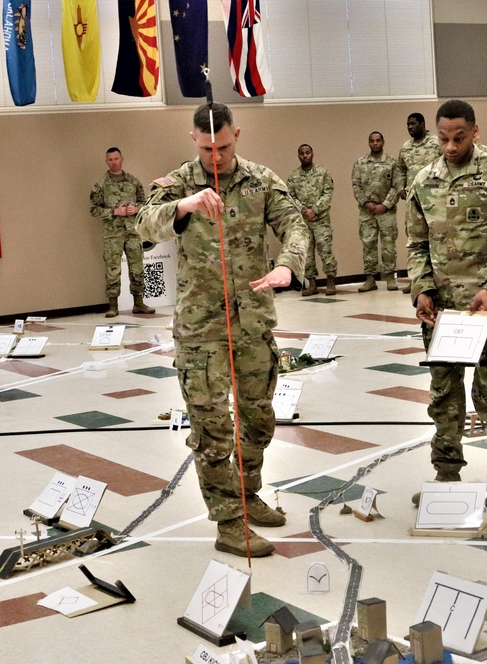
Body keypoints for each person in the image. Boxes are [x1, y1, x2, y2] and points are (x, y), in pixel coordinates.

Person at [137, 102, 309, 557]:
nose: (217, 156)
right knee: (211, 432)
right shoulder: (177, 184)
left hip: (252, 322)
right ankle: (230, 522)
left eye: (225, 146)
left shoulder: (262, 180)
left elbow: (294, 224)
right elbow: (144, 226)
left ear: (239, 135)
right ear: (193, 139)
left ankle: (248, 496)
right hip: (201, 330)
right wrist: (185, 205)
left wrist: (288, 265)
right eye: (209, 147)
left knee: (258, 420)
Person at [406, 99, 487, 507]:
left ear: (475, 132)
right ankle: (446, 474)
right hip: (442, 314)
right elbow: (416, 243)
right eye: (443, 138)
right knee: (444, 395)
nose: (449, 146)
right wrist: (422, 288)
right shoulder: (424, 180)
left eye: (458, 138)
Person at [89, 147, 155, 317]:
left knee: (137, 268)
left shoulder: (133, 182)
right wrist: (113, 212)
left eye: (116, 158)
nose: (114, 162)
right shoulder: (101, 185)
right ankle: (113, 306)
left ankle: (139, 303)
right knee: (113, 270)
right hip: (113, 234)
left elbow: (146, 203)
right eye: (110, 159)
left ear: (122, 159)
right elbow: (94, 210)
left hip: (133, 232)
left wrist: (136, 209)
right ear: (106, 161)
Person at [396, 113, 443, 293]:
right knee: (415, 240)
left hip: (434, 199)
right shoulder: (406, 147)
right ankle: (417, 279)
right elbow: (400, 169)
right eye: (407, 124)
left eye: (413, 124)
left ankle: (438, 278)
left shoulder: (435, 143)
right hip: (413, 201)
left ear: (423, 124)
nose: (410, 127)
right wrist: (401, 187)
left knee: (436, 237)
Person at [352, 131, 400, 292]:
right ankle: (370, 279)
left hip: (386, 211)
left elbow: (396, 185)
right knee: (368, 244)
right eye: (372, 141)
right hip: (367, 211)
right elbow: (356, 185)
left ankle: (390, 278)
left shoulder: (392, 163)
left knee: (389, 245)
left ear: (383, 142)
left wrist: (385, 205)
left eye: (378, 140)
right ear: (369, 143)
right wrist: (366, 203)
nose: (375, 143)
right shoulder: (360, 163)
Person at [287, 144, 337, 296]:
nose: (305, 155)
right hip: (303, 221)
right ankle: (312, 283)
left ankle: (330, 281)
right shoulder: (293, 177)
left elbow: (328, 193)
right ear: (298, 156)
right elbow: (290, 196)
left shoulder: (322, 173)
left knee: (325, 251)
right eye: (302, 153)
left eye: (307, 153)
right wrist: (304, 210)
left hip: (321, 220)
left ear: (312, 154)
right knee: (306, 254)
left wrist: (314, 210)